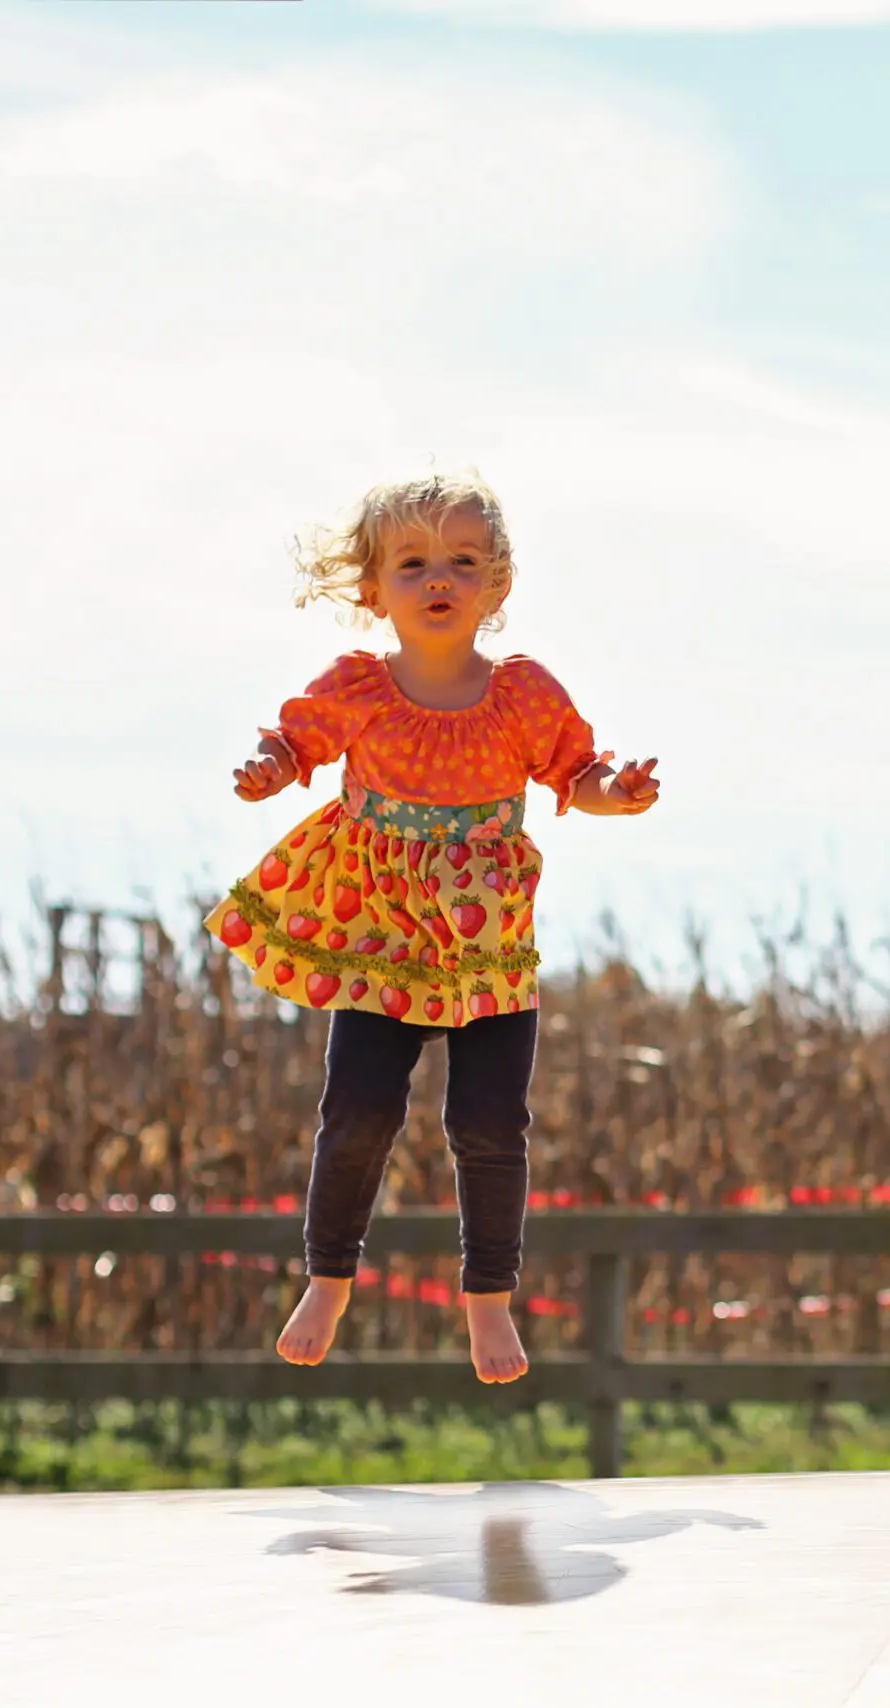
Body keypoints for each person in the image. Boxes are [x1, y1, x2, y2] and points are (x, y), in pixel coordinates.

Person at [205, 472, 659, 1382]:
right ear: (373, 590)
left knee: (490, 1122)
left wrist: (622, 793)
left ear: (497, 585)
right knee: (362, 1109)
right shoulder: (360, 690)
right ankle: (328, 1279)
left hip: (486, 942)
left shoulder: (523, 696)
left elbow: (578, 777)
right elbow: (295, 745)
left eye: (462, 561)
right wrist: (267, 767)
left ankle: (489, 1300)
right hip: (375, 932)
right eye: (412, 564)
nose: (438, 577)